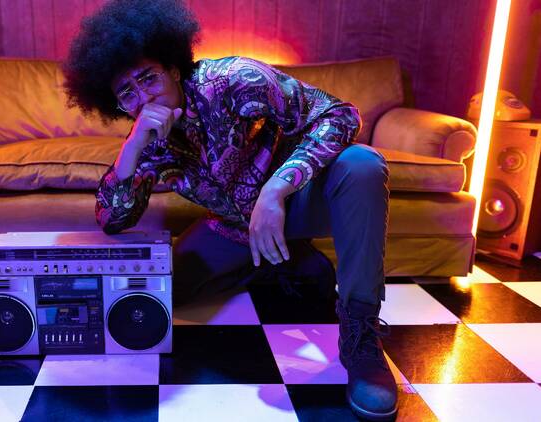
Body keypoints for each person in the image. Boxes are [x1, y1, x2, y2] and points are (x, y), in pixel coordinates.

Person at [62, 0, 396, 419]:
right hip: (234, 225)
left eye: (148, 78)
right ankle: (288, 261)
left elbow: (340, 115)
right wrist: (131, 150)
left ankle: (361, 337)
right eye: (127, 93)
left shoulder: (236, 79)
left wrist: (276, 189)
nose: (143, 97)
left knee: (361, 165)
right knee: (169, 293)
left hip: (297, 201)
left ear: (174, 69)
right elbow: (112, 219)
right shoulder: (147, 138)